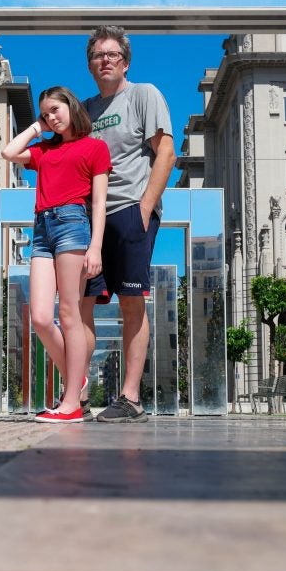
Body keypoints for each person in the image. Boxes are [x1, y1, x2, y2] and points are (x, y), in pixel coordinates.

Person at [81, 25, 176, 423]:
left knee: (131, 302)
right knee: (82, 304)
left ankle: (131, 398)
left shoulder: (143, 94)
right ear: (90, 65)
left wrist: (144, 207)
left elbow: (166, 152)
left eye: (112, 54)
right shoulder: (84, 109)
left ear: (126, 61)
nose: (105, 60)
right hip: (92, 219)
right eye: (98, 55)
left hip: (130, 212)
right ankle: (78, 394)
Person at [2, 86, 110, 423]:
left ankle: (71, 403)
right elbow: (8, 152)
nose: (51, 117)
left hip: (73, 224)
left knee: (69, 313)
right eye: (46, 113)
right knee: (38, 317)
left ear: (71, 106)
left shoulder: (95, 147)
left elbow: (99, 202)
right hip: (42, 230)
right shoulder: (44, 150)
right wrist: (36, 127)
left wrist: (95, 247)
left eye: (56, 110)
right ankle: (76, 382)